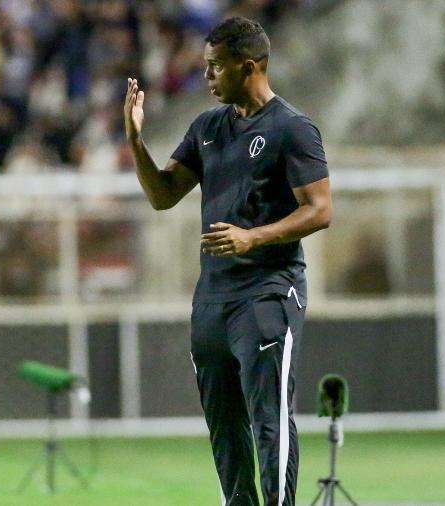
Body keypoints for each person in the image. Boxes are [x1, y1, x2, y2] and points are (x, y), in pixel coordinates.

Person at [123, 17, 333, 505]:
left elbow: (320, 210)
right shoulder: (207, 126)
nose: (208, 77)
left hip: (268, 292)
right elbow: (163, 196)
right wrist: (136, 142)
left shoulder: (293, 129)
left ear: (250, 65)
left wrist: (251, 238)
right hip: (213, 296)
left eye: (216, 67)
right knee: (224, 424)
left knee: (270, 418)